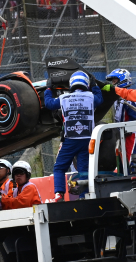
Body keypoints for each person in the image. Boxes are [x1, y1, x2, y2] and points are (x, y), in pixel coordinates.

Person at [43, 71, 104, 202]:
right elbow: (100, 99)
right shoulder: (91, 96)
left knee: (59, 168)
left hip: (70, 139)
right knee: (84, 169)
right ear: (86, 84)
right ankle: (84, 196)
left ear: (72, 84)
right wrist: (95, 86)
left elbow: (49, 104)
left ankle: (59, 194)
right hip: (87, 139)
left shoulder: (64, 97)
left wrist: (48, 89)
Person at [105, 68, 136, 161]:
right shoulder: (117, 98)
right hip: (121, 132)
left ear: (122, 80)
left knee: (130, 158)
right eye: (112, 81)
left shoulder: (129, 97)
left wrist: (128, 129)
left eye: (115, 81)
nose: (113, 83)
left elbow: (134, 117)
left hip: (131, 133)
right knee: (121, 157)